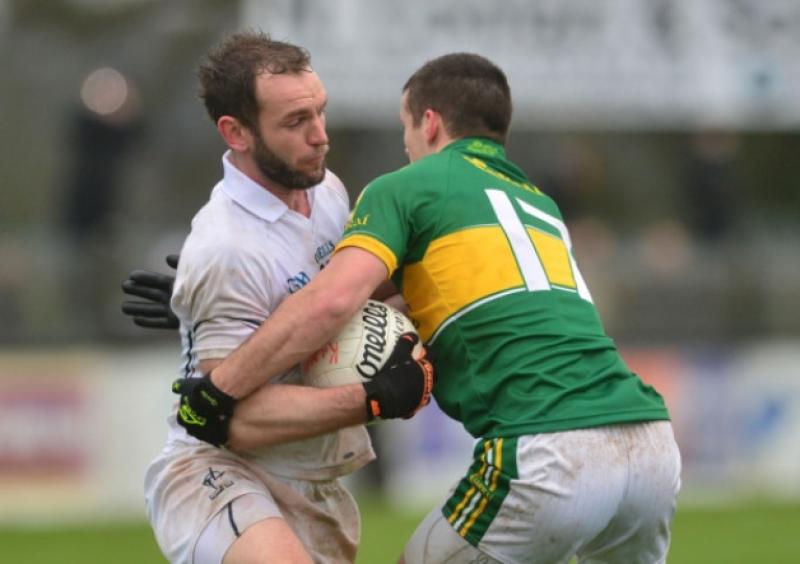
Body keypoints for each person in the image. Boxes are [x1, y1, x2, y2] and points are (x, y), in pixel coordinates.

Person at [173, 53, 682, 563]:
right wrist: (206, 298)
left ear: (430, 122)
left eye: (405, 128)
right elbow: (443, 296)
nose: (406, 144)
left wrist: (219, 389)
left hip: (550, 448)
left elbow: (333, 298)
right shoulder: (537, 205)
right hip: (650, 444)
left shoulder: (405, 186)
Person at [136, 31, 433, 564]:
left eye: (320, 112)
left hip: (314, 476)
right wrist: (374, 396)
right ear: (236, 132)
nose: (320, 136)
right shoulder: (225, 247)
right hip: (219, 469)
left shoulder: (327, 192)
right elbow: (232, 418)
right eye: (296, 122)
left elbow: (345, 303)